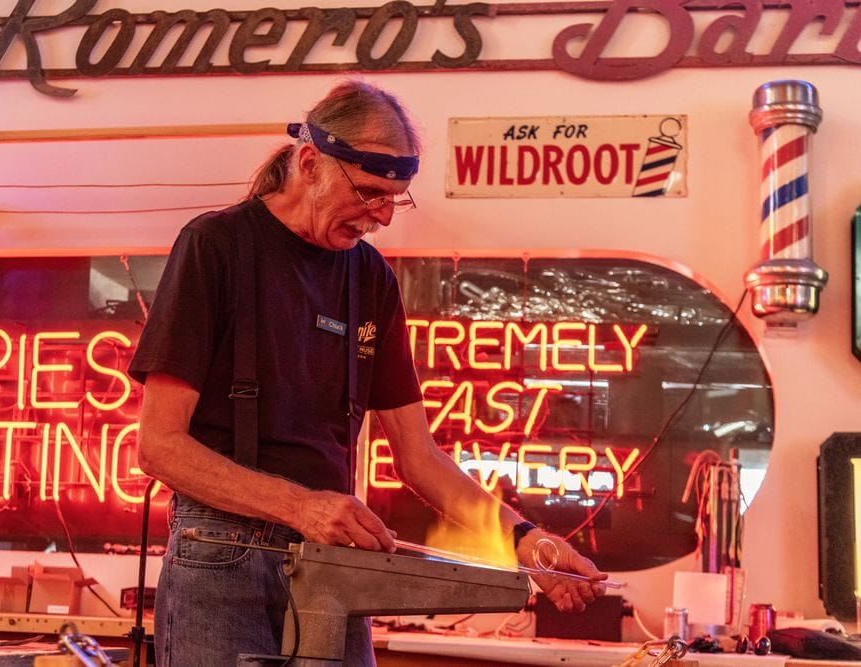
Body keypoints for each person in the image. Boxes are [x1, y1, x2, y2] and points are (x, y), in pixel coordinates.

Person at [128, 79, 607, 667]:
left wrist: (528, 543)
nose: (382, 216)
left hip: (332, 565)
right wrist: (302, 507)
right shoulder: (216, 246)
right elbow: (159, 447)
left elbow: (420, 457)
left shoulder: (371, 278)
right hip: (219, 557)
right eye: (370, 191)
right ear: (310, 164)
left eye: (394, 199)